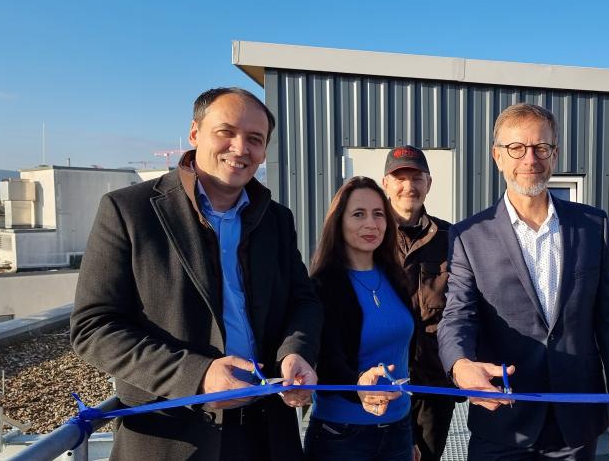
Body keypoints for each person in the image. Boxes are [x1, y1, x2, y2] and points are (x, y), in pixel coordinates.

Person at [71, 87, 323, 460]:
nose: (240, 148)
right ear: (194, 134)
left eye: (255, 139)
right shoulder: (130, 211)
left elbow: (303, 301)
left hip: (268, 432)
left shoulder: (276, 219)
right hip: (172, 436)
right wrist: (198, 375)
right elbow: (94, 327)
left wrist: (295, 353)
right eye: (226, 132)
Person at [437, 103, 609, 460]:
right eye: (516, 148)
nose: (530, 159)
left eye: (541, 148)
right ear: (497, 156)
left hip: (576, 422)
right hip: (503, 421)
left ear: (555, 154)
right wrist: (460, 365)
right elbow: (458, 315)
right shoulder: (468, 235)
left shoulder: (592, 226)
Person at [305, 176, 416, 461]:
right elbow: (325, 361)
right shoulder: (322, 285)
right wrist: (359, 387)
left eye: (378, 214)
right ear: (338, 222)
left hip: (398, 429)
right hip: (342, 435)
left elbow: (404, 356)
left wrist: (408, 432)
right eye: (358, 214)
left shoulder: (395, 277)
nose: (371, 224)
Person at [381, 146, 458, 461]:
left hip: (432, 383)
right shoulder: (367, 234)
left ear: (429, 183)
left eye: (417, 177)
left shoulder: (451, 238)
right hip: (380, 380)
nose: (408, 185)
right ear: (385, 183)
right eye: (400, 177)